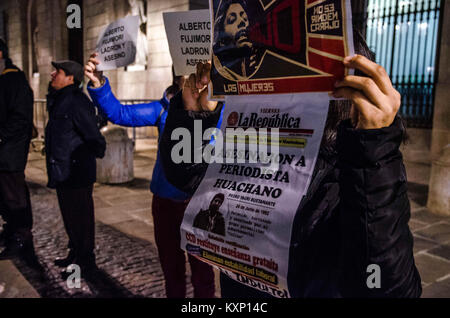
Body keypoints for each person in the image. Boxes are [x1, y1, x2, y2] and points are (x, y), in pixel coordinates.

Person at [159, 30, 422, 297]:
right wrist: (194, 115)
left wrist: (373, 152)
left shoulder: (353, 170)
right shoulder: (254, 146)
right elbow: (190, 178)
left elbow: (384, 286)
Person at [84, 53, 216, 298]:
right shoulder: (162, 109)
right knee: (171, 266)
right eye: (189, 77)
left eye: (201, 77)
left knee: (203, 270)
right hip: (165, 202)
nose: (196, 82)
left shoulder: (218, 110)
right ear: (178, 80)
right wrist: (98, 83)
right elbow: (121, 114)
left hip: (200, 203)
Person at [46, 60, 106, 276]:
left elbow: (92, 135)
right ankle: (75, 253)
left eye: (58, 72)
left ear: (70, 77)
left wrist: (91, 155)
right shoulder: (60, 99)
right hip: (63, 171)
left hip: (77, 172)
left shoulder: (76, 101)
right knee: (70, 218)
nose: (53, 74)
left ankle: (85, 262)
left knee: (81, 219)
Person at [0, 38, 37, 264]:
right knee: (4, 198)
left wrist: (1, 135)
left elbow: (20, 119)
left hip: (10, 153)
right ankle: (11, 230)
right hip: (3, 152)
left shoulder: (14, 80)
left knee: (14, 197)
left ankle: (22, 239)